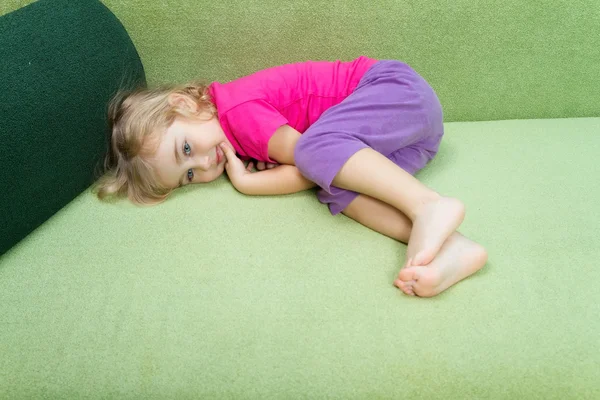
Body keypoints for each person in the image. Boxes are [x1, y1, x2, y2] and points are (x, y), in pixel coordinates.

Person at [96, 56, 487, 297]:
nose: (203, 163)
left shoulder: (237, 111)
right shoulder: (232, 132)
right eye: (189, 175)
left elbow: (305, 164)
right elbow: (321, 171)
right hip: (409, 136)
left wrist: (249, 183)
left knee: (317, 153)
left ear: (184, 104)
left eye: (185, 149)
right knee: (337, 190)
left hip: (394, 91)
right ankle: (452, 248)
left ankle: (427, 206)